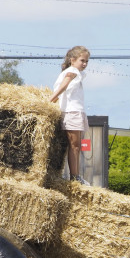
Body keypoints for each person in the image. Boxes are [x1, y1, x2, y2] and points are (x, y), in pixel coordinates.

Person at [50, 45, 91, 186]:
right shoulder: (72, 71)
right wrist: (50, 100)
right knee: (74, 146)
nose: (85, 64)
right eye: (82, 60)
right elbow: (64, 85)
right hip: (72, 112)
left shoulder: (73, 71)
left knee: (76, 146)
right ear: (73, 60)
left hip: (74, 111)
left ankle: (75, 176)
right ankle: (74, 177)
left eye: (86, 61)